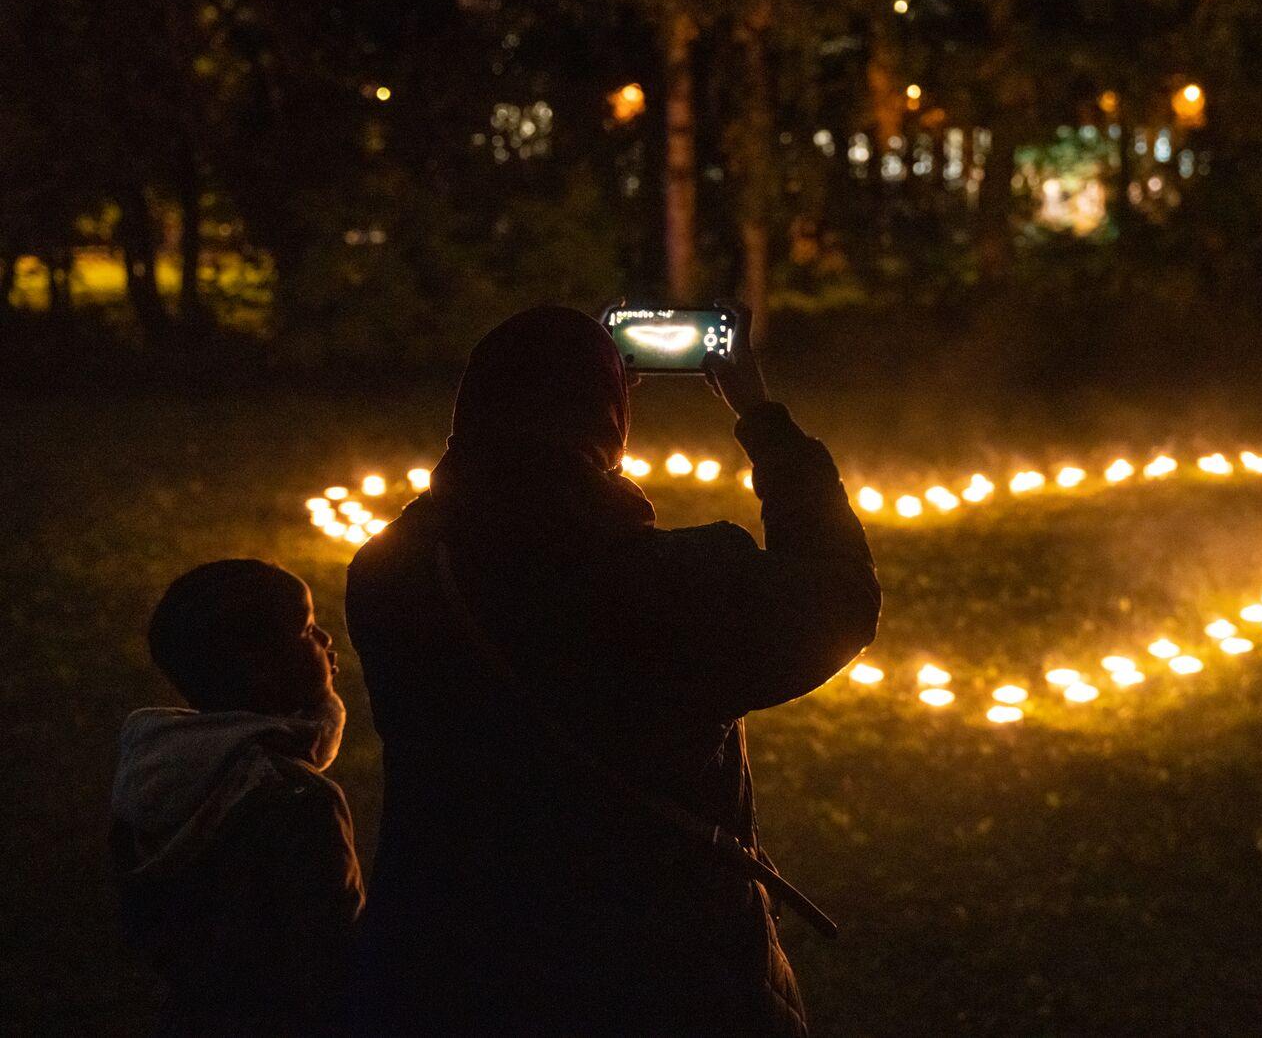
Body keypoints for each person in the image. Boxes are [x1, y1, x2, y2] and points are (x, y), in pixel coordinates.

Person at [343, 305, 880, 1035]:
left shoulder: (389, 572)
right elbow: (837, 599)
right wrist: (759, 413)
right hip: (659, 969)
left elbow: (486, 501)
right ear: (607, 421)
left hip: (450, 961)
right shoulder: (665, 588)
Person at [110, 560, 364, 1036]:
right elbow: (336, 953)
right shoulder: (298, 797)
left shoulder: (156, 773)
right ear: (260, 668)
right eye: (308, 629)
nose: (327, 640)